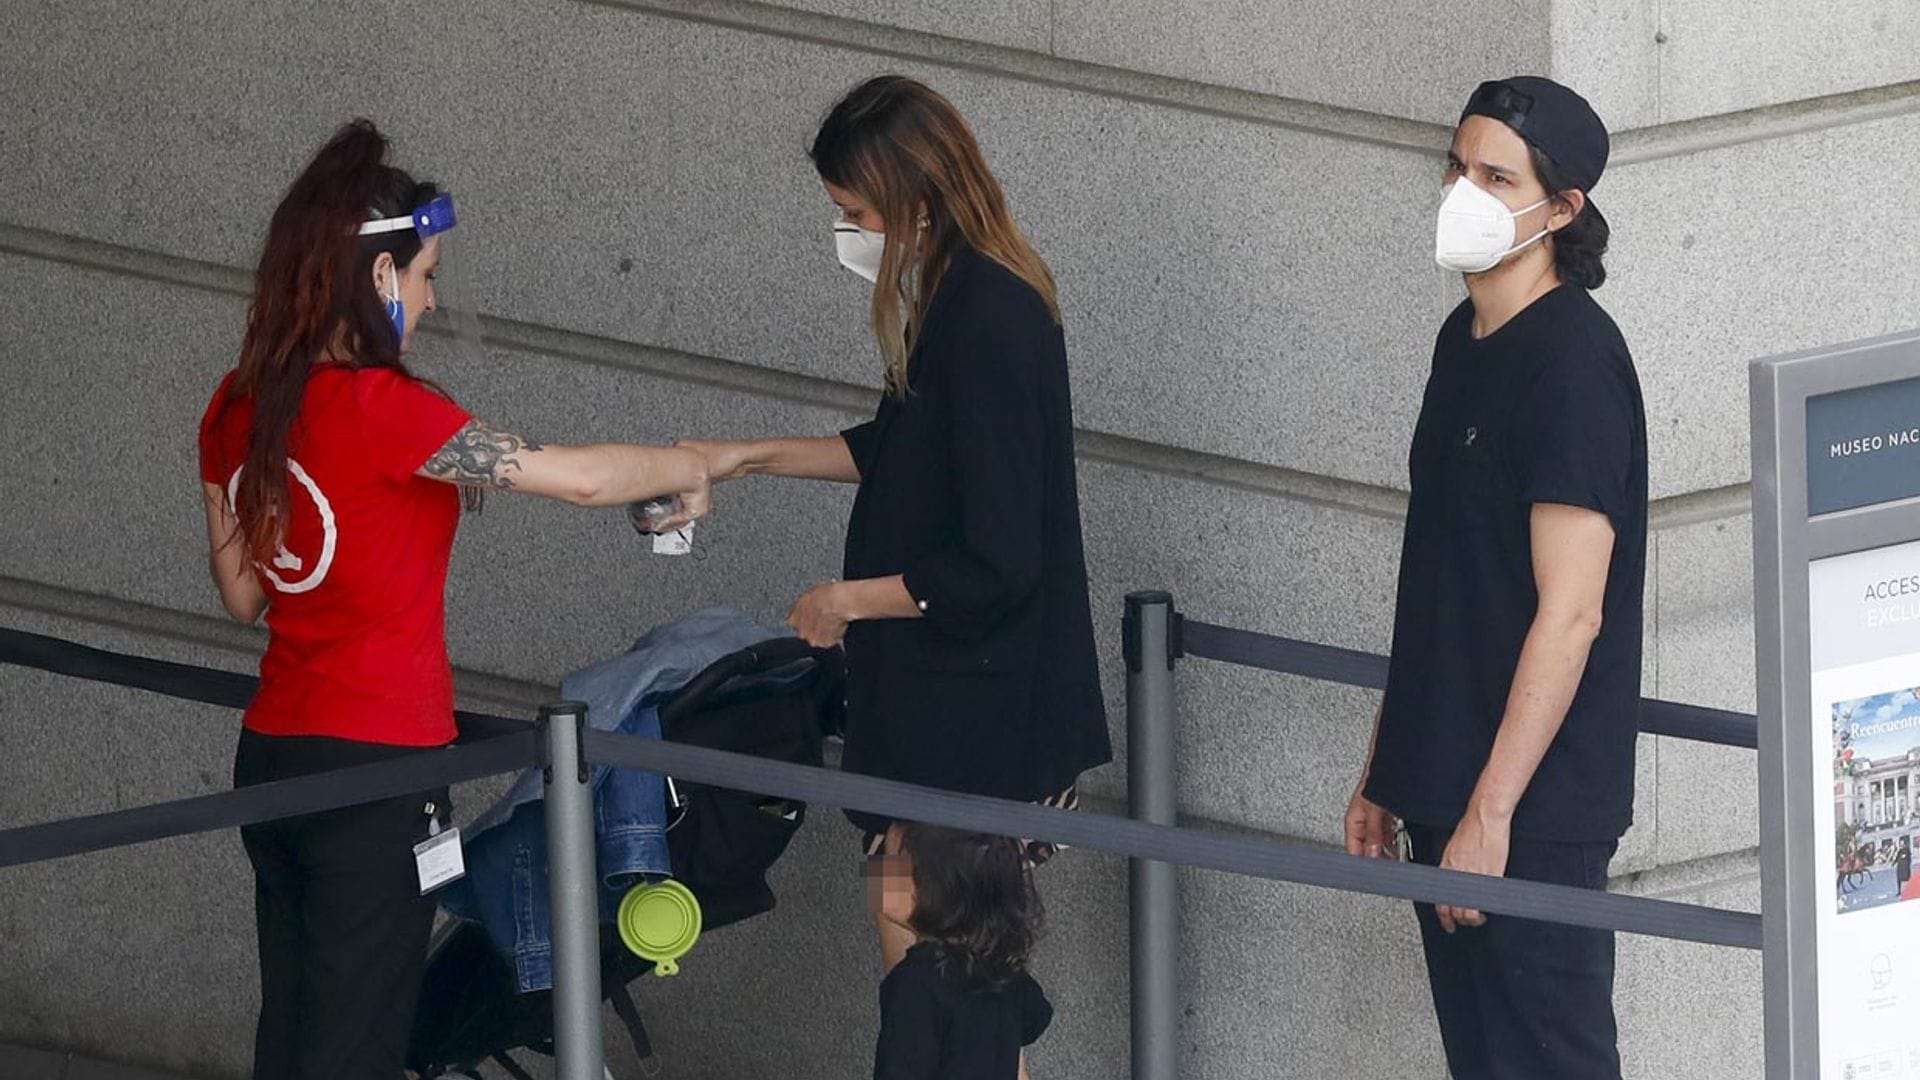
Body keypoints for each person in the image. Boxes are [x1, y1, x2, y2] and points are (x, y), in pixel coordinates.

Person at [197, 119, 708, 1080]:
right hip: (377, 771)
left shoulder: (240, 399)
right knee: (357, 1043)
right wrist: (684, 463)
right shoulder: (390, 413)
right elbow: (581, 479)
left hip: (273, 756)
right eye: (426, 275)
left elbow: (240, 595)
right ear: (381, 279)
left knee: (296, 1023)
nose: (431, 300)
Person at [681, 75, 1110, 947]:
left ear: (912, 196)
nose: (847, 233)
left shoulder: (988, 316)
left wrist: (844, 601)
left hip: (975, 730)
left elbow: (997, 562)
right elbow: (898, 452)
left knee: (943, 987)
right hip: (951, 718)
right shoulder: (961, 296)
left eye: (854, 212)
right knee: (956, 992)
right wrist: (743, 459)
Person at [1342, 77, 1647, 1080]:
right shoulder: (1459, 342)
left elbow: (1572, 613)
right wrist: (1392, 769)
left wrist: (1490, 815)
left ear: (1564, 209)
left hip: (1530, 810)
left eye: (1495, 175)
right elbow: (1438, 578)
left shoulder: (1574, 365)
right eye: (1457, 166)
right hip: (1447, 784)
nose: (1463, 190)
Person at [867, 822, 1053, 1080]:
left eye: (892, 860)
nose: (881, 871)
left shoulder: (915, 982)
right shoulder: (999, 972)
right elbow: (1037, 1016)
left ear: (934, 889)